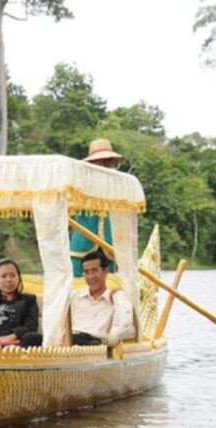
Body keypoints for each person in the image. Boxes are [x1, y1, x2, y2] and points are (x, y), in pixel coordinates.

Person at [70, 138, 123, 276]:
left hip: (108, 244)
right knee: (79, 283)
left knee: (108, 282)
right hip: (83, 242)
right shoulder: (80, 183)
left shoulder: (117, 185)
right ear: (92, 162)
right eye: (100, 160)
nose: (104, 164)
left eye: (107, 161)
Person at [70, 250, 133, 346]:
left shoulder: (114, 298)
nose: (91, 277)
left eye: (95, 270)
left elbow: (125, 321)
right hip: (71, 340)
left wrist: (118, 295)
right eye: (87, 272)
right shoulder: (76, 297)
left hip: (95, 343)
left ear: (105, 271)